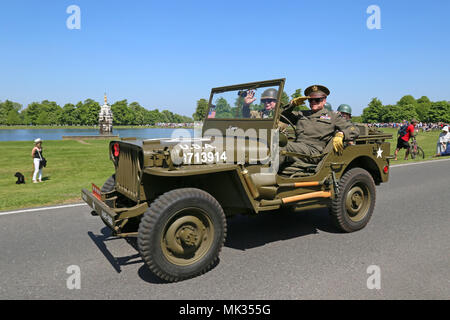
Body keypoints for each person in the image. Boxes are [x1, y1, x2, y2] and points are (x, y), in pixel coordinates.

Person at [280, 85, 360, 165]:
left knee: (279, 146)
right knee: (271, 141)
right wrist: (292, 105)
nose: (313, 102)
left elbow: (354, 129)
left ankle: (269, 175)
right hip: (298, 147)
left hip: (315, 152)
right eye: (310, 100)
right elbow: (282, 117)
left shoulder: (333, 116)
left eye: (317, 100)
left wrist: (341, 134)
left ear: (324, 100)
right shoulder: (302, 114)